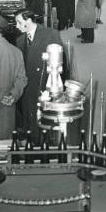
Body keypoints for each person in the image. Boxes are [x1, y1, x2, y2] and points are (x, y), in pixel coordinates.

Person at [15, 9, 67, 139]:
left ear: (29, 20)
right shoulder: (20, 40)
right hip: (27, 89)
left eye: (19, 22)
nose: (17, 26)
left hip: (44, 88)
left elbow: (61, 66)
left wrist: (56, 92)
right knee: (29, 122)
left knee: (44, 125)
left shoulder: (50, 35)